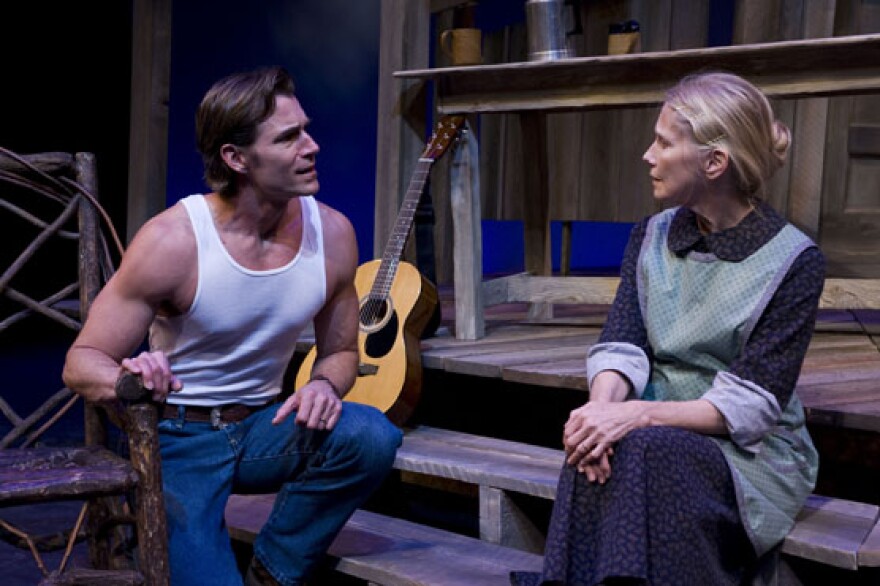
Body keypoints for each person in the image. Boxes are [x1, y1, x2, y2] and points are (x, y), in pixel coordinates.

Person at [63, 66, 403, 586]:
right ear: (235, 158)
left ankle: (275, 567)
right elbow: (80, 363)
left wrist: (323, 386)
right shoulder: (174, 241)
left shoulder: (332, 233)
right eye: (289, 137)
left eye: (306, 130)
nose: (311, 146)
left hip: (261, 429)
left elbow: (340, 353)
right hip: (178, 437)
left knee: (371, 436)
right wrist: (132, 378)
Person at [513, 71, 825, 586]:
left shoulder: (793, 260)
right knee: (595, 444)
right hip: (654, 430)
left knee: (642, 448)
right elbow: (623, 342)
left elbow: (752, 405)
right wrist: (601, 413)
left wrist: (633, 417)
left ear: (713, 163)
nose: (647, 155)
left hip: (748, 451)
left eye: (663, 143)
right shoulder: (652, 234)